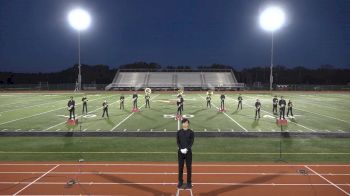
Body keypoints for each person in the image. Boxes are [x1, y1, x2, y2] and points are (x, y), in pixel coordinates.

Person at [177, 118, 194, 189]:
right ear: (182, 124)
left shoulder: (191, 132)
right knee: (180, 167)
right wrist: (181, 149)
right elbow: (178, 142)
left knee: (188, 168)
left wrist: (186, 149)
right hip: (180, 152)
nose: (185, 124)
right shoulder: (178, 132)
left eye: (186, 123)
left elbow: (191, 142)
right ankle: (180, 182)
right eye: (184, 123)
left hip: (188, 152)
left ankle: (189, 182)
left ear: (188, 124)